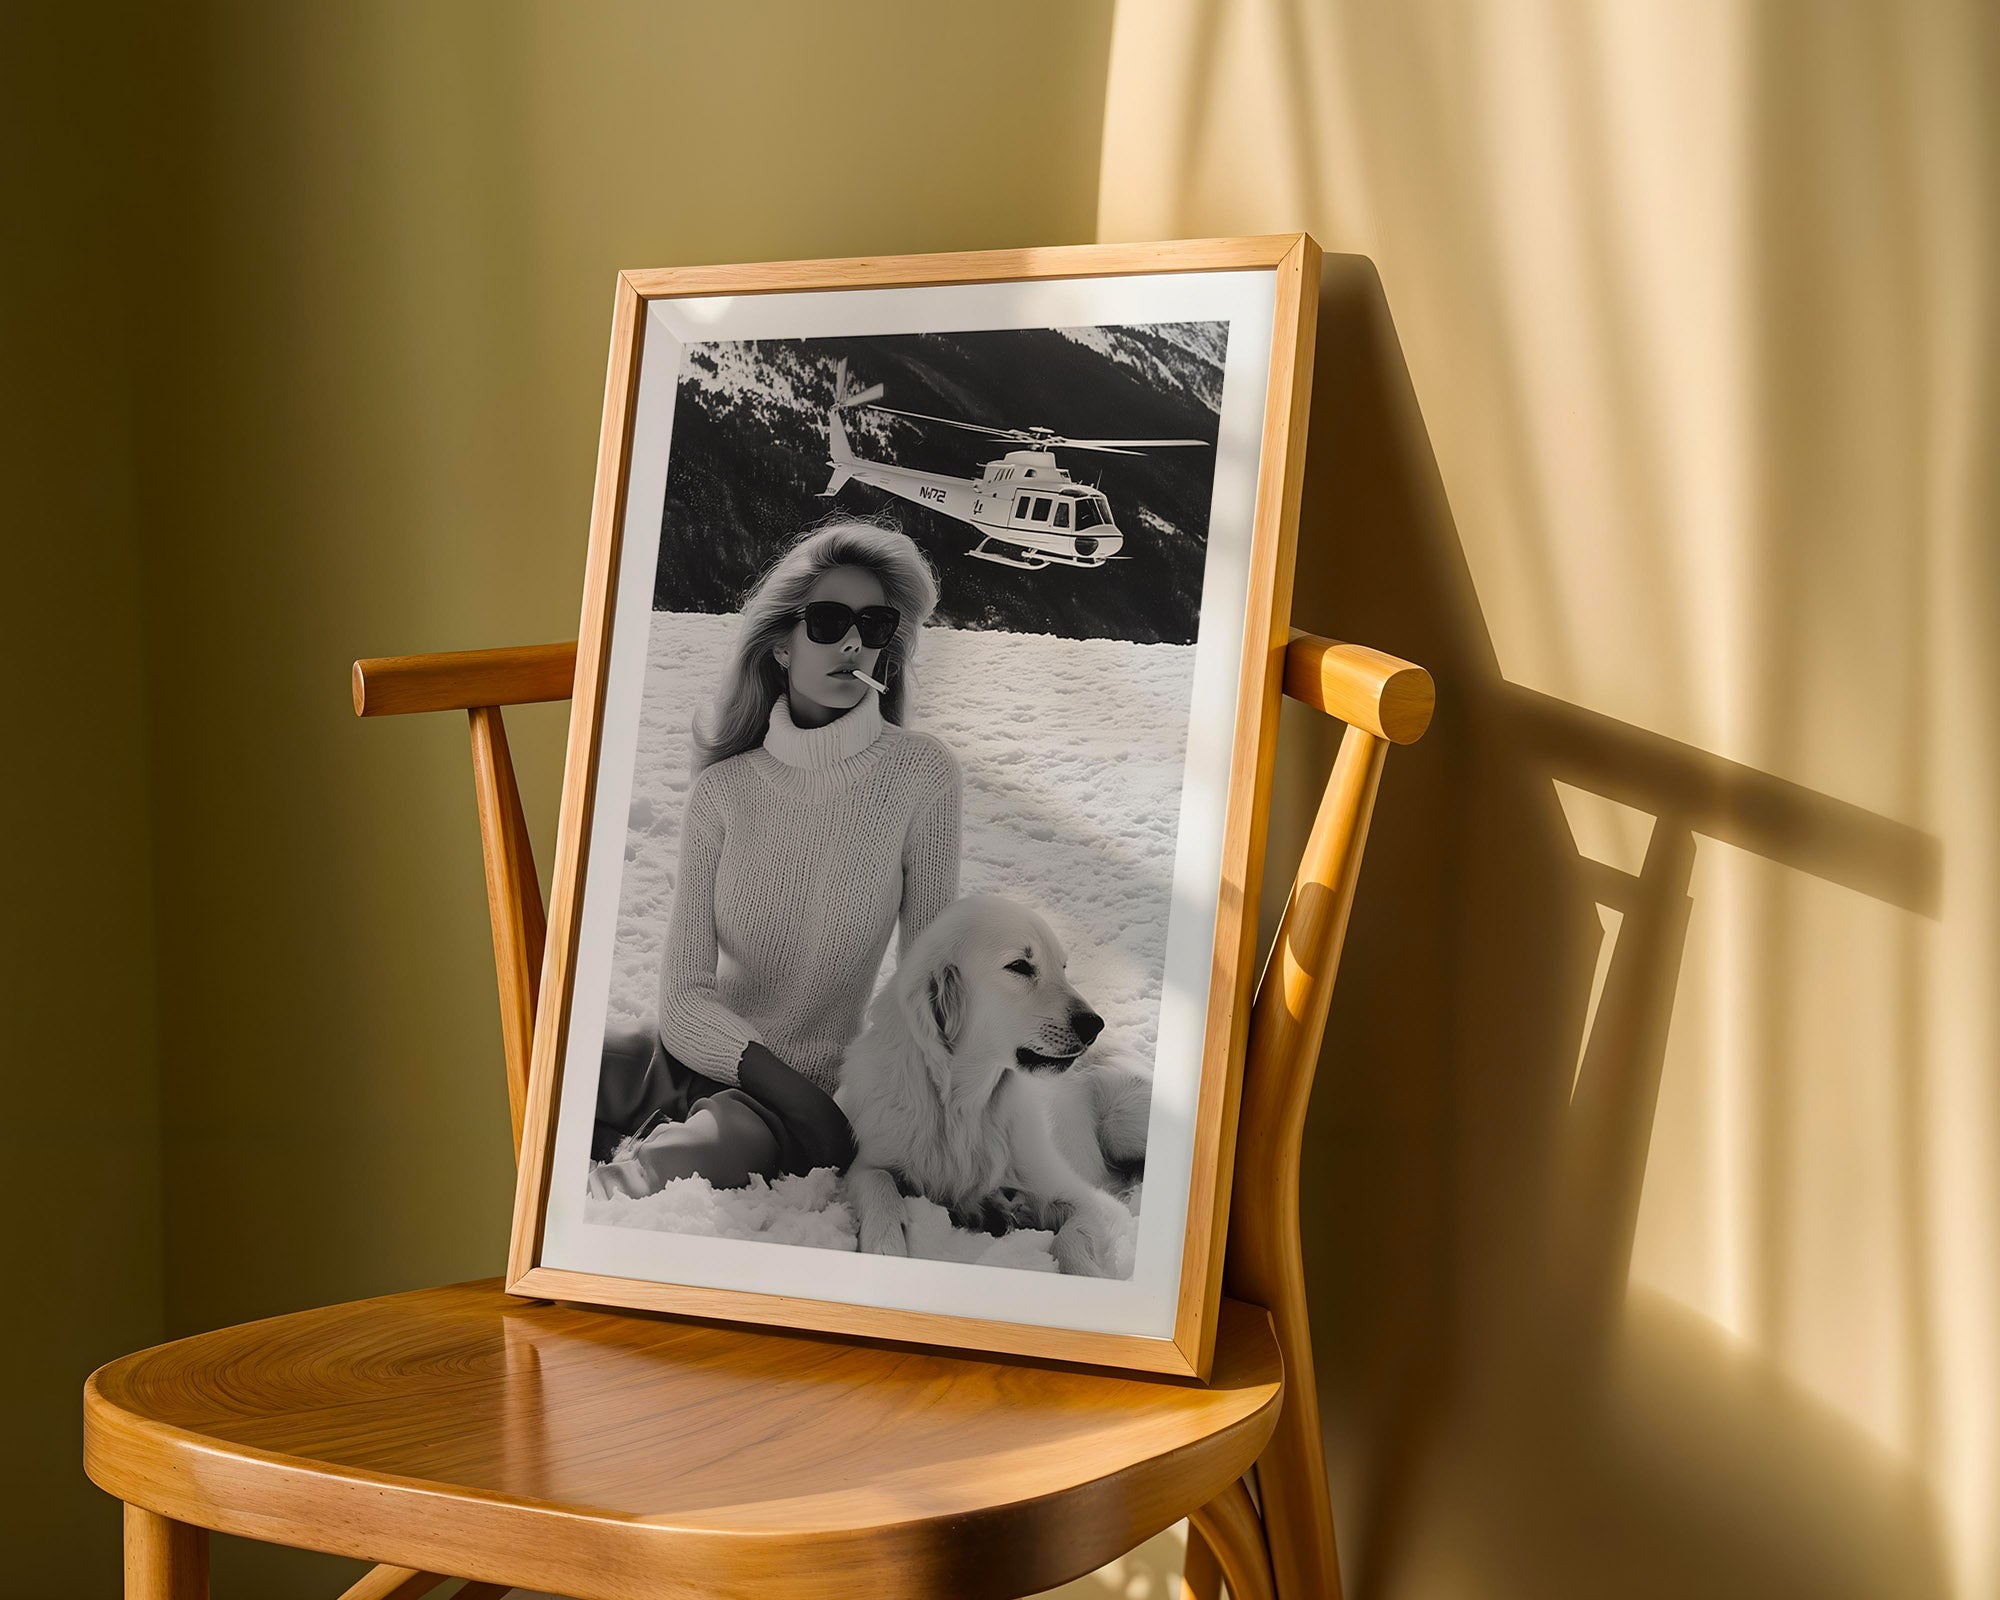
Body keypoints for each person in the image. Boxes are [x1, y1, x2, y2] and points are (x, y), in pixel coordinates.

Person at [588, 520, 962, 1200]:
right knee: (538, 1065)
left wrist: (831, 1105)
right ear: (781, 647)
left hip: (790, 1104)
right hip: (690, 1058)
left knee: (673, 1168)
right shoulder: (723, 792)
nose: (853, 642)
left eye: (874, 625)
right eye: (827, 621)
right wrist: (768, 1072)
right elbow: (681, 997)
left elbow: (928, 985)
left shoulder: (922, 776)